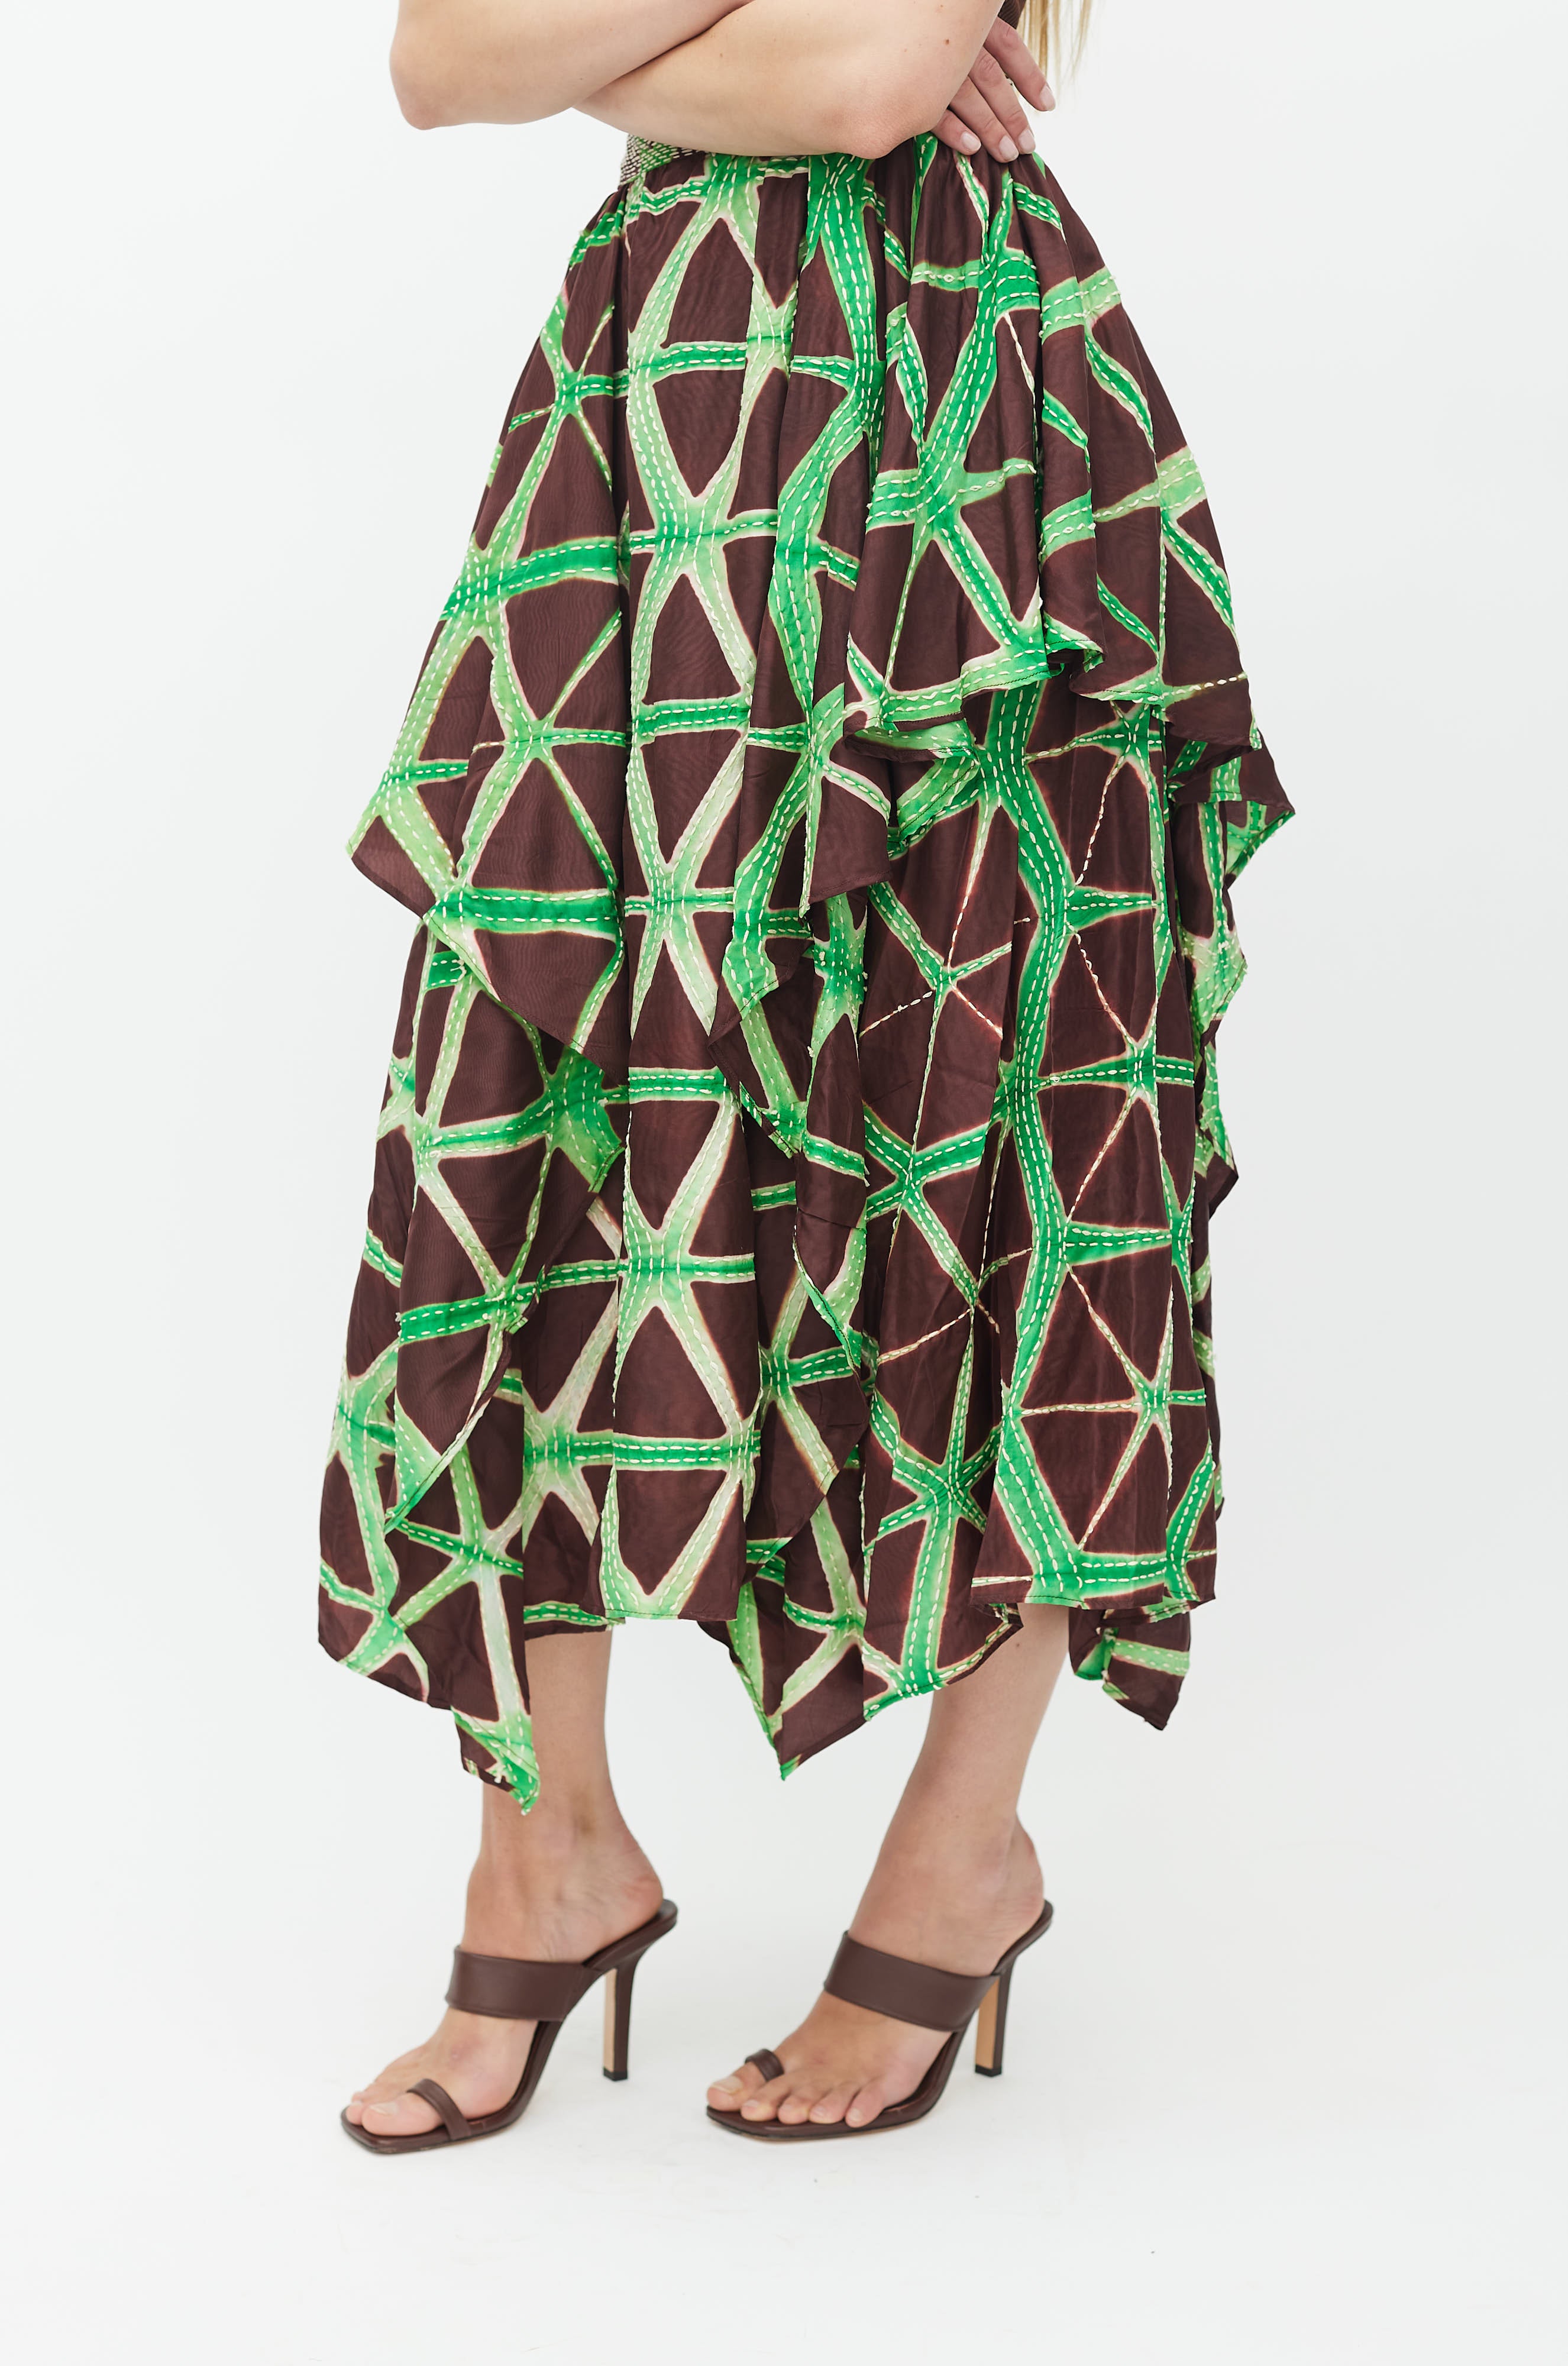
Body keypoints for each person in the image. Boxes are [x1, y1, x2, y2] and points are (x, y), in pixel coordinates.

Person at [322, 0, 1291, 2151]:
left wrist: (606, 55)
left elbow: (861, 87)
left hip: (964, 456)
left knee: (1011, 1106)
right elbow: (435, 61)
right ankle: (546, 1855)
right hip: (648, 450)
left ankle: (957, 1864)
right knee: (548, 1103)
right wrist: (710, 45)